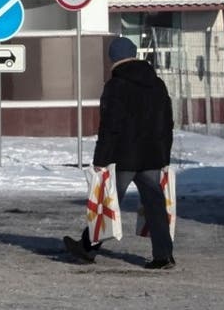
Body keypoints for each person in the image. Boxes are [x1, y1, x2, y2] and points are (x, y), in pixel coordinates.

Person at [64, 36, 175, 270]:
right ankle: (164, 255)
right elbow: (166, 123)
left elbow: (110, 127)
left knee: (108, 203)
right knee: (155, 205)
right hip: (152, 156)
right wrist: (164, 157)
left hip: (124, 158)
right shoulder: (157, 84)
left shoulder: (116, 86)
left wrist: (100, 159)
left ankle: (86, 249)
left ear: (113, 59)